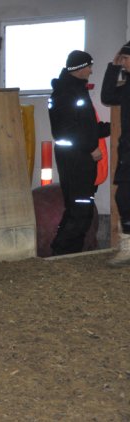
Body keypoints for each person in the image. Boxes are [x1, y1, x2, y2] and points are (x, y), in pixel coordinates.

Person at [47, 50, 110, 256]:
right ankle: (63, 254)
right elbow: (67, 130)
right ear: (80, 68)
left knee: (78, 209)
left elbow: (87, 126)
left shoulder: (74, 90)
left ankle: (65, 254)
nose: (91, 71)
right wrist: (90, 147)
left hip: (77, 158)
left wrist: (114, 127)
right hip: (75, 160)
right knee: (80, 210)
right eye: (89, 66)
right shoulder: (66, 94)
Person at [102, 41, 130, 265]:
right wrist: (113, 67)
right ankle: (128, 247)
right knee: (123, 197)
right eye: (123, 59)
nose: (124, 63)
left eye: (126, 59)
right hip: (128, 150)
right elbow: (108, 96)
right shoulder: (127, 86)